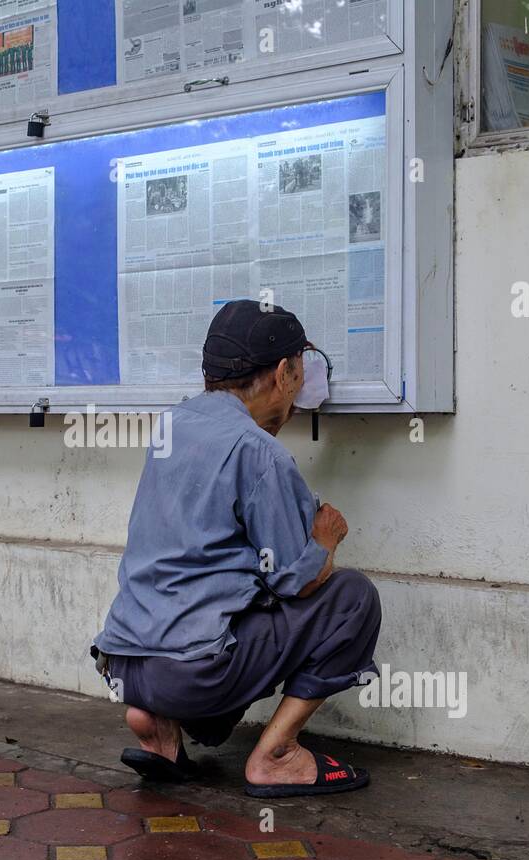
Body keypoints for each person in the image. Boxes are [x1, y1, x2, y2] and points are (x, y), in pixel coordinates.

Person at [91, 300, 381, 797]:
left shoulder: (172, 426)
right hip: (192, 673)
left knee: (221, 611)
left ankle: (158, 728)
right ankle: (277, 755)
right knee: (352, 596)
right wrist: (325, 538)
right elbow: (299, 579)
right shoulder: (259, 452)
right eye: (302, 369)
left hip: (125, 664)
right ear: (285, 374)